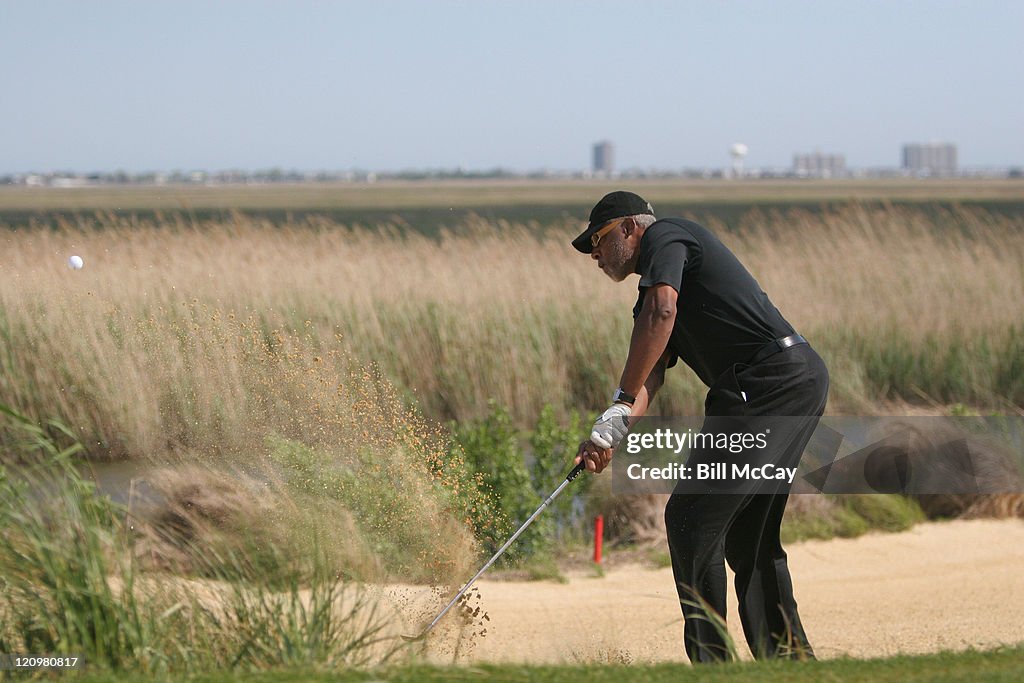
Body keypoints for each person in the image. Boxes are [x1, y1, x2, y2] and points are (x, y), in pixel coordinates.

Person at [572, 191, 829, 663]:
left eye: (599, 240)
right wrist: (612, 426)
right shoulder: (651, 289)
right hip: (789, 381)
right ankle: (790, 663)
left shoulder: (667, 236)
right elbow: (654, 369)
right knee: (749, 536)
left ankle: (714, 667)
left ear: (630, 227)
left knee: (689, 519)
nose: (594, 253)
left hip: (767, 385)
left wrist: (622, 401)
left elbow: (662, 314)